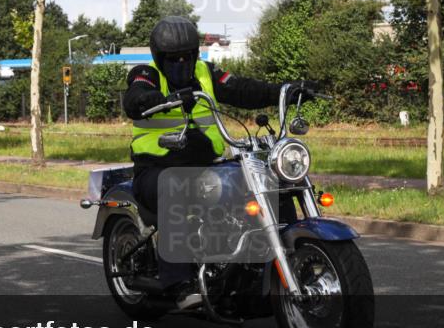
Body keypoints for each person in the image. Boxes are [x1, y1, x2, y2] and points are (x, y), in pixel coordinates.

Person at [122, 16, 315, 291]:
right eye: (173, 59)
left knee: (270, 181)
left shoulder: (205, 73)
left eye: (186, 57)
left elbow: (243, 89)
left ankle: (282, 260)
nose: (181, 64)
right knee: (174, 186)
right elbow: (134, 97)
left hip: (206, 164)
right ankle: (178, 282)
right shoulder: (148, 74)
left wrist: (286, 90)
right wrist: (156, 100)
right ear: (160, 57)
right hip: (155, 169)